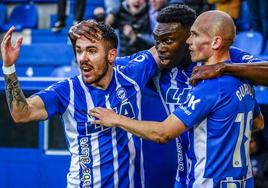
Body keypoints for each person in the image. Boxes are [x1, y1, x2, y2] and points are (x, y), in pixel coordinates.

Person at [70, 4, 268, 187]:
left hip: (206, 179)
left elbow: (163, 133)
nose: (160, 48)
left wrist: (223, 68)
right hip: (189, 177)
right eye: (157, 41)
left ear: (189, 38)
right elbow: (257, 122)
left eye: (168, 41)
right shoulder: (159, 66)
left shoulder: (228, 61)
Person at [1, 23, 167, 187]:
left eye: (91, 51)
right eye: (79, 50)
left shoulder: (131, 74)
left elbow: (167, 45)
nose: (82, 58)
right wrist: (9, 67)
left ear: (111, 55)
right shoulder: (67, 91)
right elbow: (21, 113)